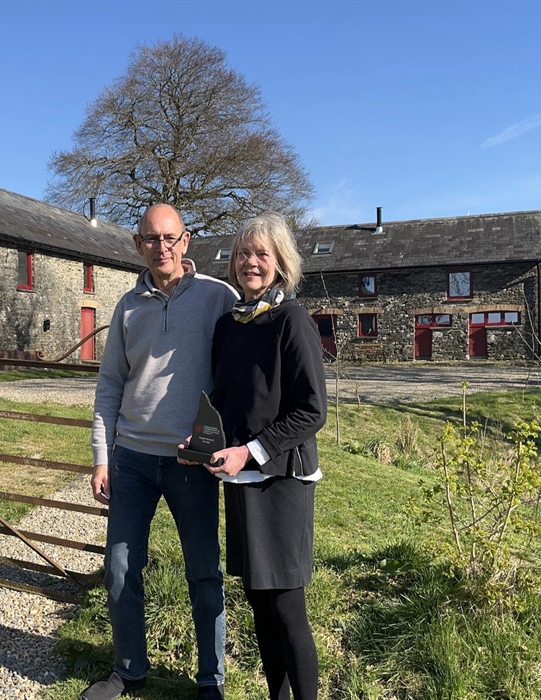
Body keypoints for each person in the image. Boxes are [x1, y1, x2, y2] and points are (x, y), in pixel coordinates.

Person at [84, 203, 238, 700]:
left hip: (190, 462)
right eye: (151, 239)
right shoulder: (127, 305)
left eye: (170, 238)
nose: (161, 247)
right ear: (138, 244)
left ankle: (210, 680)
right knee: (121, 568)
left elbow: (251, 360)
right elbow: (110, 383)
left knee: (204, 572)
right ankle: (129, 670)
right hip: (130, 457)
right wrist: (102, 457)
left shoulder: (219, 297)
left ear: (187, 240)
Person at [183, 212, 327, 700]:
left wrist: (251, 451)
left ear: (280, 262)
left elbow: (312, 411)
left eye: (262, 253)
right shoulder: (228, 325)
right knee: (258, 602)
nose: (251, 262)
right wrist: (203, 444)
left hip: (283, 478)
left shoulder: (292, 319)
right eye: (244, 252)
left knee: (286, 606)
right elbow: (227, 402)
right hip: (242, 479)